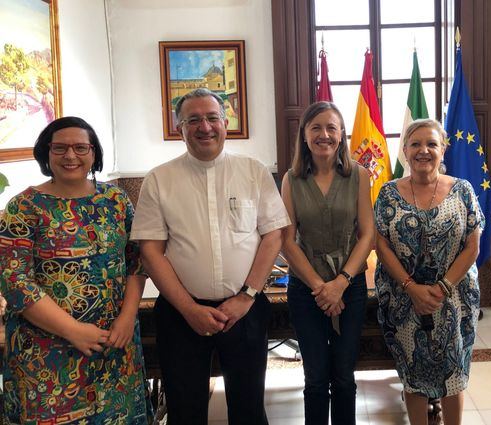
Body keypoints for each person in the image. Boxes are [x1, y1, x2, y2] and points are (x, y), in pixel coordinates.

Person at [130, 88, 290, 425]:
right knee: (185, 409)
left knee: (248, 408)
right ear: (180, 129)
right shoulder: (159, 180)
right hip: (180, 313)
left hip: (244, 309)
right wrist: (189, 309)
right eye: (194, 120)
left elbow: (272, 235)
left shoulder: (253, 171)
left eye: (212, 117)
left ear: (225, 122)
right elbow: (150, 251)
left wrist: (246, 297)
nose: (205, 126)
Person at [0, 116, 150, 424]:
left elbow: (137, 261)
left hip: (116, 345)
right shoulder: (24, 206)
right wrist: (73, 331)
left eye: (81, 147)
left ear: (94, 153)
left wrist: (127, 317)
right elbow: (16, 281)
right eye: (60, 148)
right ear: (46, 153)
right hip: (47, 353)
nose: (71, 156)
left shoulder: (116, 200)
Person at [374, 118, 484, 425]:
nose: (424, 150)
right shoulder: (387, 193)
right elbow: (380, 245)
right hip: (404, 299)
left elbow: (473, 245)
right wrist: (412, 287)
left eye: (432, 144)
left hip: (454, 299)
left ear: (443, 149)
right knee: (412, 372)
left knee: (455, 373)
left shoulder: (462, 191)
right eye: (416, 144)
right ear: (405, 151)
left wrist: (442, 288)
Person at [280, 101, 373, 425]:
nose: (324, 134)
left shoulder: (359, 175)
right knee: (316, 378)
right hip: (307, 290)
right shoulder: (291, 180)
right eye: (316, 127)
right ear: (304, 135)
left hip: (351, 286)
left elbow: (367, 234)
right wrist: (321, 288)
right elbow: (287, 241)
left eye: (331, 127)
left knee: (344, 376)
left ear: (342, 134)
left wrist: (340, 283)